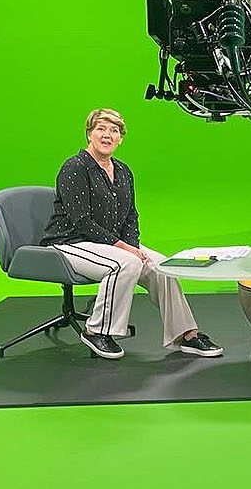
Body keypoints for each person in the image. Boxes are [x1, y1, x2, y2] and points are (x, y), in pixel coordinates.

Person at [41, 109, 223, 361]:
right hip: (71, 241)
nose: (107, 135)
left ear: (121, 138)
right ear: (89, 134)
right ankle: (97, 331)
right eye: (101, 129)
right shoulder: (75, 167)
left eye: (114, 130)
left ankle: (187, 335)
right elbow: (80, 221)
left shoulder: (123, 170)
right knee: (126, 263)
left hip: (110, 243)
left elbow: (130, 215)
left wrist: (133, 244)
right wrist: (125, 249)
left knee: (161, 266)